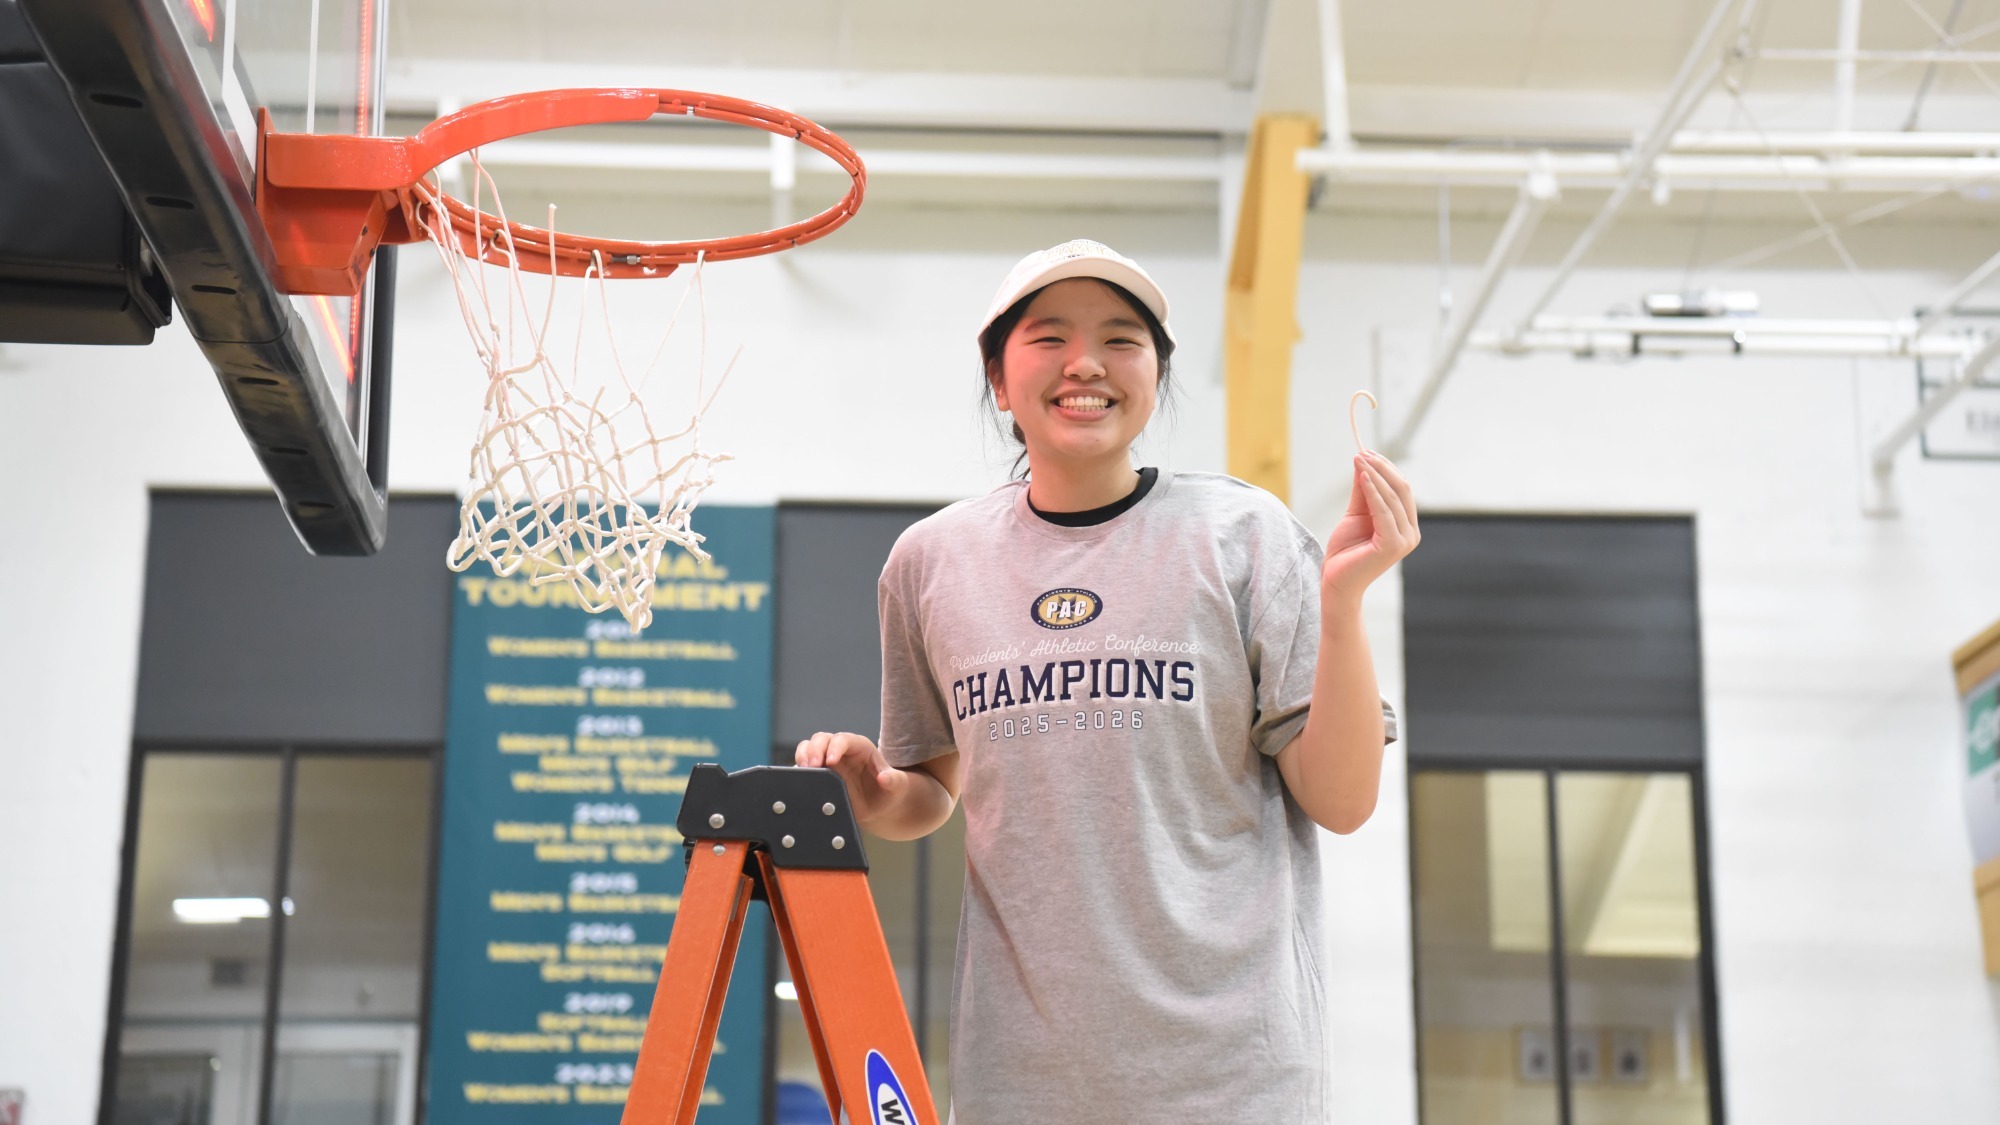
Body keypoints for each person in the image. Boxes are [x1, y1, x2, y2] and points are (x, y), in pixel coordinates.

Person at [795, 239, 1419, 1122]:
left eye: (1122, 340)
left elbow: (1344, 799)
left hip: (1235, 1081)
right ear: (998, 377)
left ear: (1156, 376)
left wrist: (1343, 599)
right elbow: (933, 791)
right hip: (1021, 1080)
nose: (1085, 363)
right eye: (1049, 337)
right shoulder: (930, 563)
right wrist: (876, 789)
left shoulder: (1244, 535)